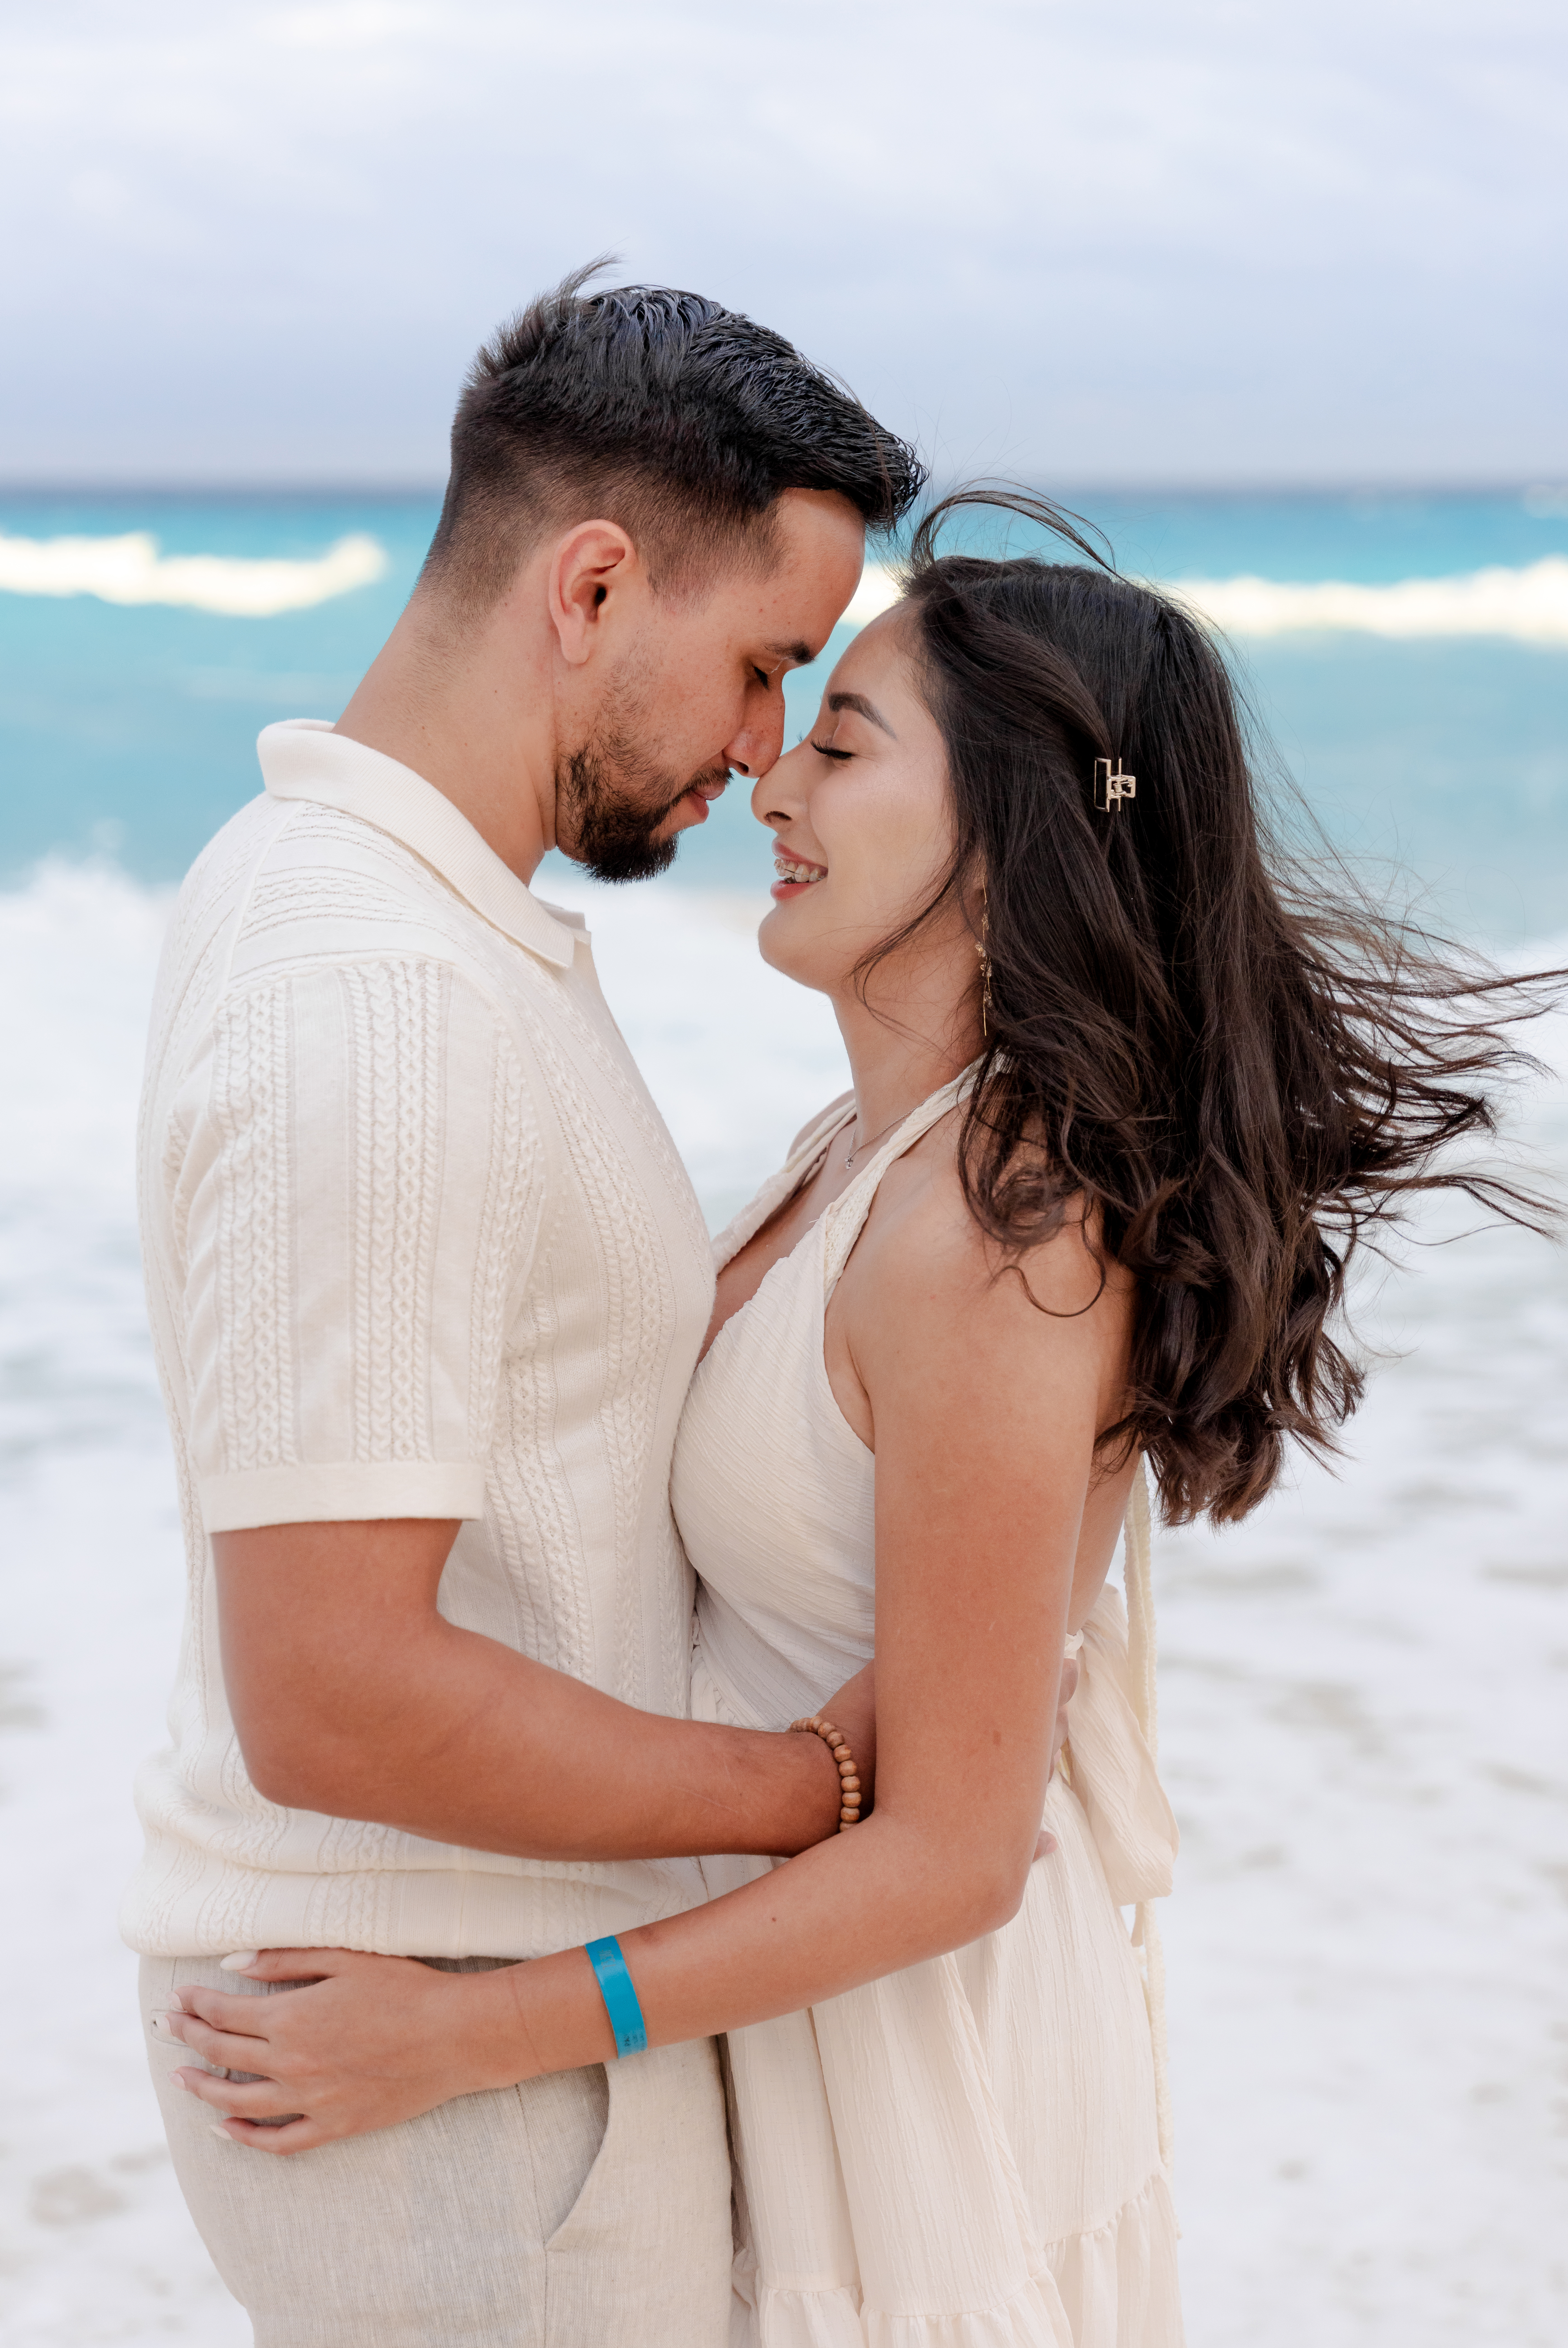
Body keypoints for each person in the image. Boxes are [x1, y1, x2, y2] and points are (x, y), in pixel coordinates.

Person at [156, 490, 1558, 2344]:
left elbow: (955, 1855)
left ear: (1011, 834)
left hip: (910, 2065)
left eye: (841, 741)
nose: (771, 781)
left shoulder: (1000, 1239)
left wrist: (473, 2030)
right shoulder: (868, 1154)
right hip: (783, 2001)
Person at [127, 266, 926, 2347]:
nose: (762, 748)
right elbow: (334, 1686)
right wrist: (810, 1788)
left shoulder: (372, 909)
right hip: (437, 2049)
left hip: (477, 2018)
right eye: (761, 665)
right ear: (590, 590)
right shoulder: (378, 992)